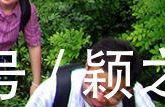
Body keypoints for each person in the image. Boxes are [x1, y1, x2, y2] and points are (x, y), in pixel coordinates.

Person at [26, 37, 154, 107]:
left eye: (111, 92)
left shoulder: (136, 99)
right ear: (88, 66)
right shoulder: (55, 90)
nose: (99, 97)